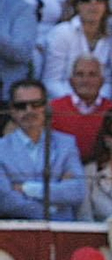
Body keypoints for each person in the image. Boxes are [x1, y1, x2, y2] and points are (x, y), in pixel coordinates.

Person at [0, 79, 86, 222]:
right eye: (21, 106)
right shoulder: (1, 148)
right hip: (19, 229)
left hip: (61, 229)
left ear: (46, 107)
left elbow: (77, 191)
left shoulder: (66, 143)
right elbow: (6, 201)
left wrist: (27, 188)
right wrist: (52, 208)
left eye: (36, 104)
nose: (29, 110)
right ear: (12, 111)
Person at [44, 0, 112, 100]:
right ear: (76, 5)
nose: (93, 4)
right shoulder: (62, 33)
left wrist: (96, 103)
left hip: (100, 103)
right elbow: (52, 81)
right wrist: (77, 104)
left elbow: (108, 81)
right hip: (64, 102)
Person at [50, 56, 112, 160]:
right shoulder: (53, 108)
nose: (85, 80)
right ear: (71, 81)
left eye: (92, 75)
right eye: (80, 75)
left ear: (102, 81)